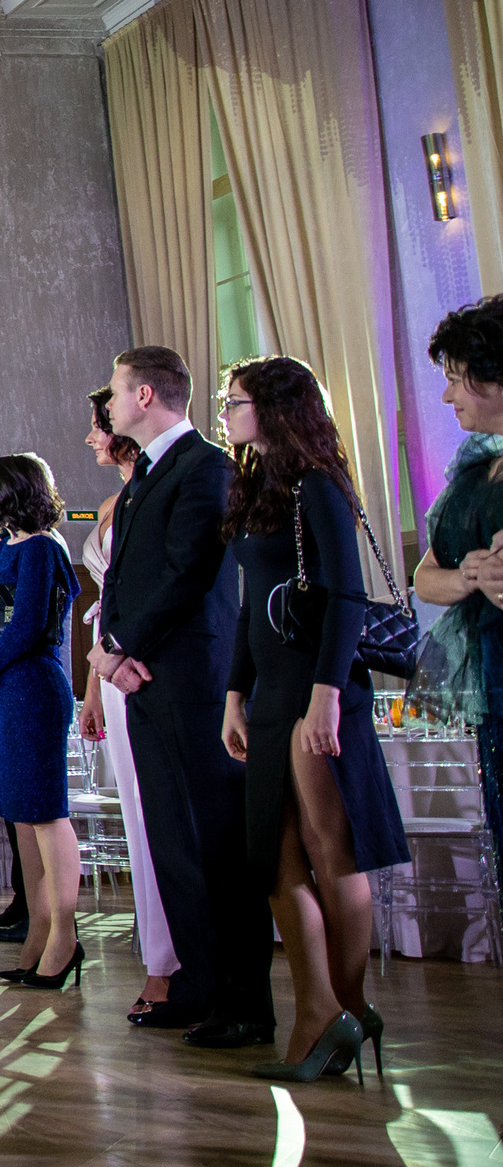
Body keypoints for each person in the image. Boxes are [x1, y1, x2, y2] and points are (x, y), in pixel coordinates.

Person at [217, 357, 410, 1079]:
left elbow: (348, 596)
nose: (226, 410)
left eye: (234, 400)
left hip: (319, 687)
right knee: (275, 858)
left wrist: (327, 692)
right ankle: (321, 1009)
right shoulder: (257, 485)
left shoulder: (319, 483)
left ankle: (343, 1010)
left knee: (334, 850)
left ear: (273, 406)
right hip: (270, 691)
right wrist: (237, 693)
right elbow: (249, 600)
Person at [91, 346, 270, 1046]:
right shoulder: (143, 477)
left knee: (216, 841)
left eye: (113, 389)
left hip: (194, 680)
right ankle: (195, 983)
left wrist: (122, 646)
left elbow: (189, 569)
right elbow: (124, 580)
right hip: (144, 680)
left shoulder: (205, 467)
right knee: (172, 839)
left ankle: (244, 1000)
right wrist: (113, 654)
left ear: (143, 394)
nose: (106, 403)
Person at [74, 393, 179, 1018]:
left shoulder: (151, 492)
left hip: (142, 667)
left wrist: (115, 658)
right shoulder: (117, 500)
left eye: (96, 426)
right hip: (109, 668)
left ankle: (168, 962)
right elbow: (105, 603)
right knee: (138, 823)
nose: (91, 437)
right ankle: (159, 955)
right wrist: (93, 686)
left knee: (154, 822)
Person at [0, 456, 81, 988]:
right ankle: (37, 932)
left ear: (10, 492)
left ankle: (64, 936)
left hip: (33, 684)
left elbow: (32, 623)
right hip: (2, 688)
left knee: (44, 812)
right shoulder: (3, 548)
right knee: (20, 815)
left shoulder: (43, 547)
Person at [416, 295, 503, 895]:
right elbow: (425, 576)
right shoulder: (477, 470)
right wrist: (469, 576)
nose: (448, 397)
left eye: (456, 381)